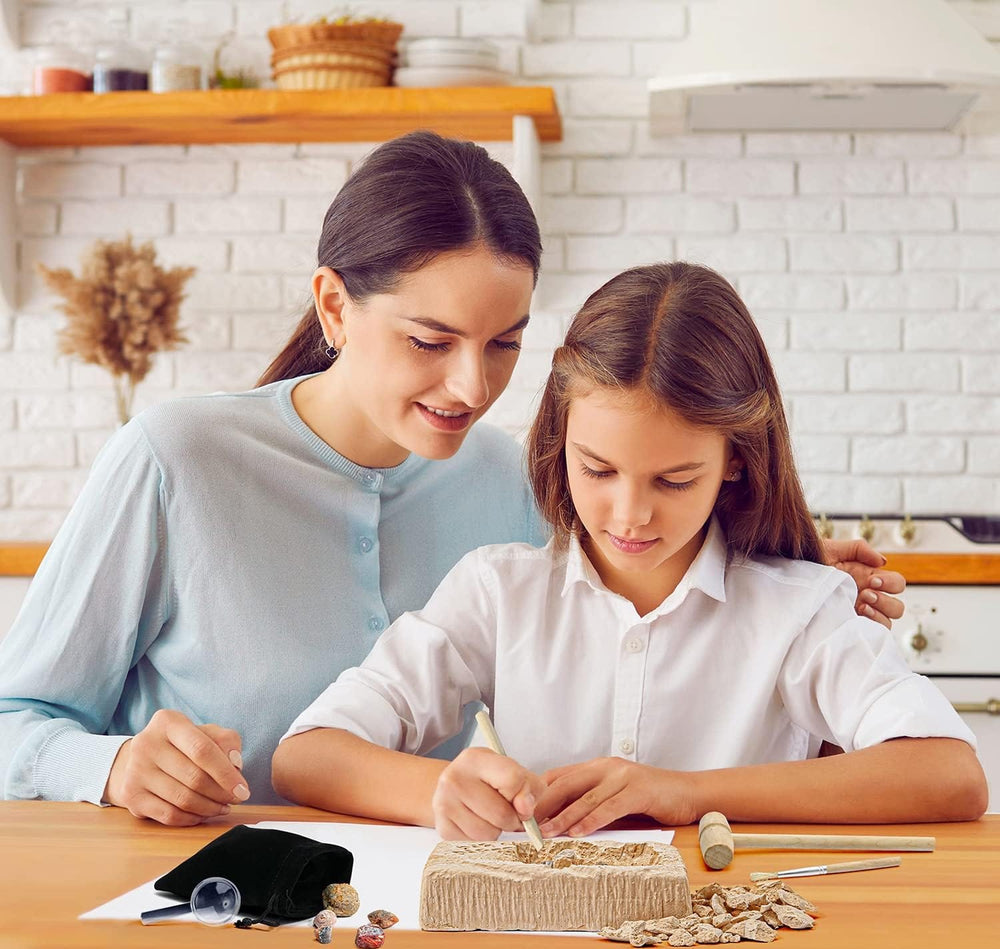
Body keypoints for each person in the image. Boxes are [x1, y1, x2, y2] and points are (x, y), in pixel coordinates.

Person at [0, 134, 902, 826]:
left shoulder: (502, 476)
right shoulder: (175, 459)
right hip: (188, 904)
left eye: (504, 343)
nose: (474, 387)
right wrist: (111, 769)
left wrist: (786, 558)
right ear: (334, 306)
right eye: (430, 342)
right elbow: (16, 720)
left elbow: (624, 547)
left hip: (391, 912)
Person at [272, 261, 986, 839]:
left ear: (736, 460)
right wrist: (439, 788)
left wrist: (682, 794)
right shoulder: (499, 592)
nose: (630, 515)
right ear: (561, 440)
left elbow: (951, 775)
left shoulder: (799, 608)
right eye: (598, 470)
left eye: (675, 480)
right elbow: (308, 755)